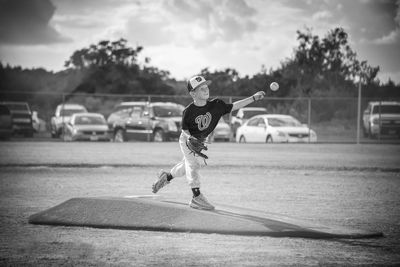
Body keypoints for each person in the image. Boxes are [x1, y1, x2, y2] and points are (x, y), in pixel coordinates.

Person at [152, 75, 265, 210]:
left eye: (206, 87)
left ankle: (167, 177)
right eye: (201, 89)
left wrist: (253, 98)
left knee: (185, 167)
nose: (206, 90)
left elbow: (234, 106)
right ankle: (196, 197)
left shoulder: (216, 105)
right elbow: (185, 129)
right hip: (187, 140)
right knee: (192, 165)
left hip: (199, 141)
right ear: (193, 93)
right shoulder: (188, 111)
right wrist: (189, 139)